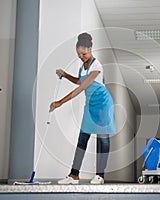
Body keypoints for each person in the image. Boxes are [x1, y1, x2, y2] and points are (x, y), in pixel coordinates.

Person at [49, 32, 116, 185]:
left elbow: (81, 89)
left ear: (91, 49)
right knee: (82, 138)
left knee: (102, 138)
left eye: (84, 54)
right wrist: (65, 75)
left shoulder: (97, 66)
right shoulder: (83, 66)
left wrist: (59, 102)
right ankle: (74, 175)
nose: (81, 57)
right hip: (91, 104)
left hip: (103, 104)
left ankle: (100, 175)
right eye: (79, 54)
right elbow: (80, 81)